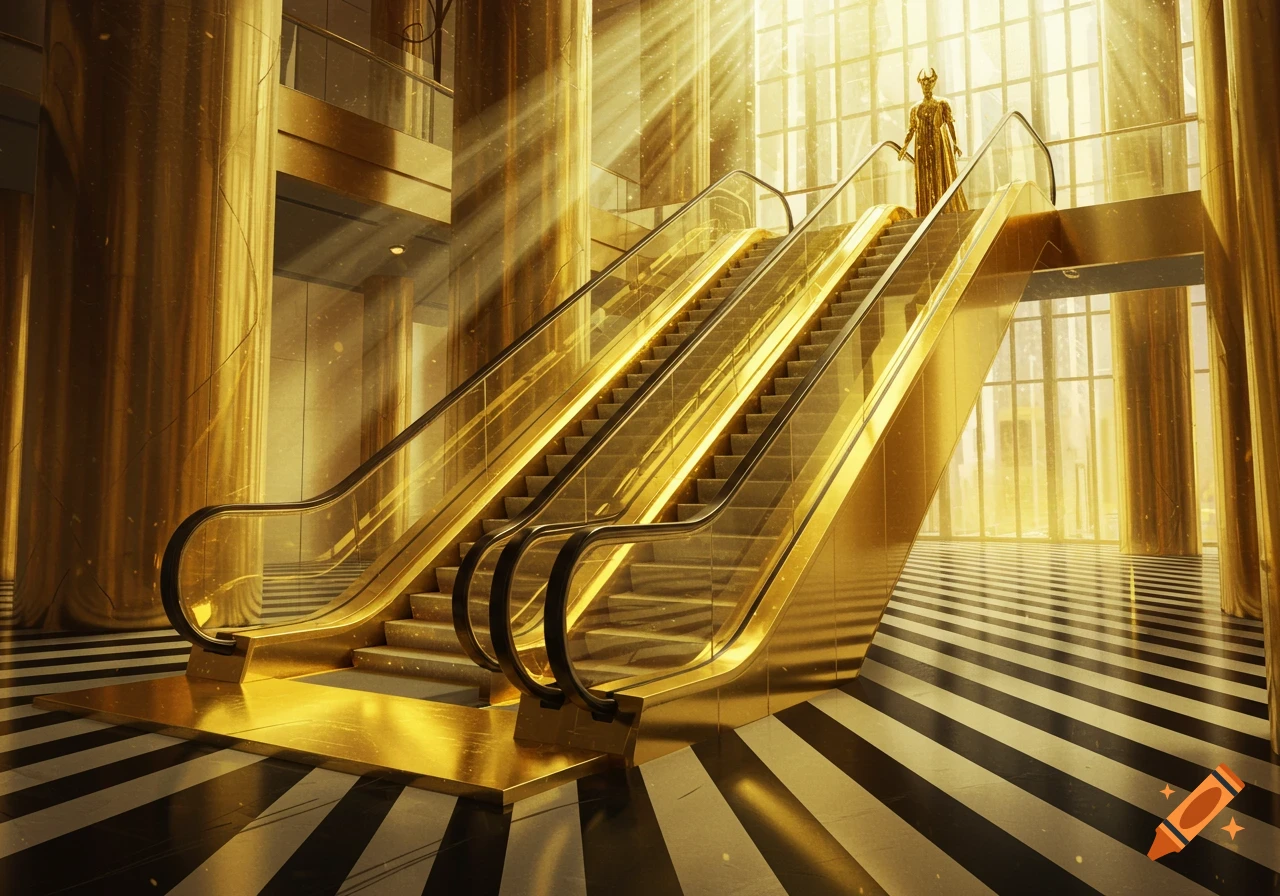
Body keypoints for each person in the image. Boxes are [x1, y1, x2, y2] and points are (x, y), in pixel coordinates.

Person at [899, 68, 968, 216]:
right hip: (921, 145)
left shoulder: (942, 103)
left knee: (940, 175)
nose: (926, 86)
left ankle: (944, 209)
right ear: (921, 85)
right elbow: (911, 129)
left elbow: (950, 124)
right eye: (923, 83)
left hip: (939, 144)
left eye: (929, 83)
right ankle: (927, 213)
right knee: (924, 179)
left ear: (933, 83)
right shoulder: (915, 108)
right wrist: (904, 146)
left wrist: (955, 143)